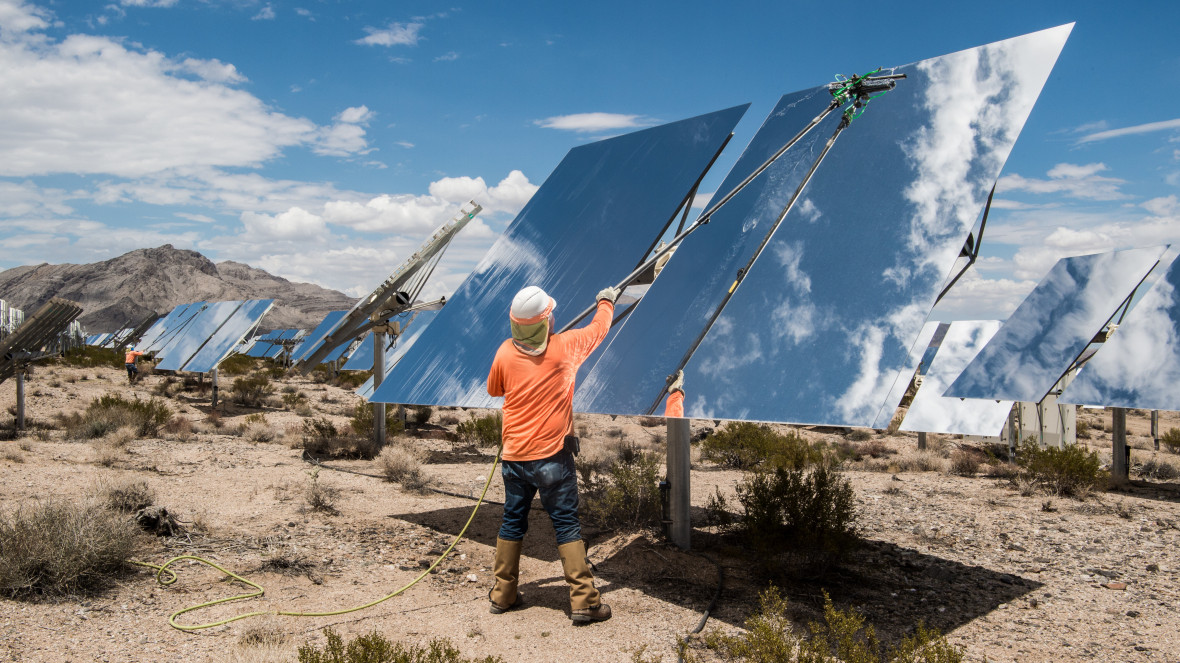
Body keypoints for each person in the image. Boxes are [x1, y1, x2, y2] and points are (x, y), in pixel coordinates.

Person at [486, 284, 619, 624]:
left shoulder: (504, 352)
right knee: (566, 524)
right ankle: (584, 602)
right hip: (552, 457)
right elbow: (599, 328)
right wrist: (605, 301)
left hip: (514, 457)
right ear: (545, 321)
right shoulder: (568, 346)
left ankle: (503, 595)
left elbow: (495, 389)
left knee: (512, 520)